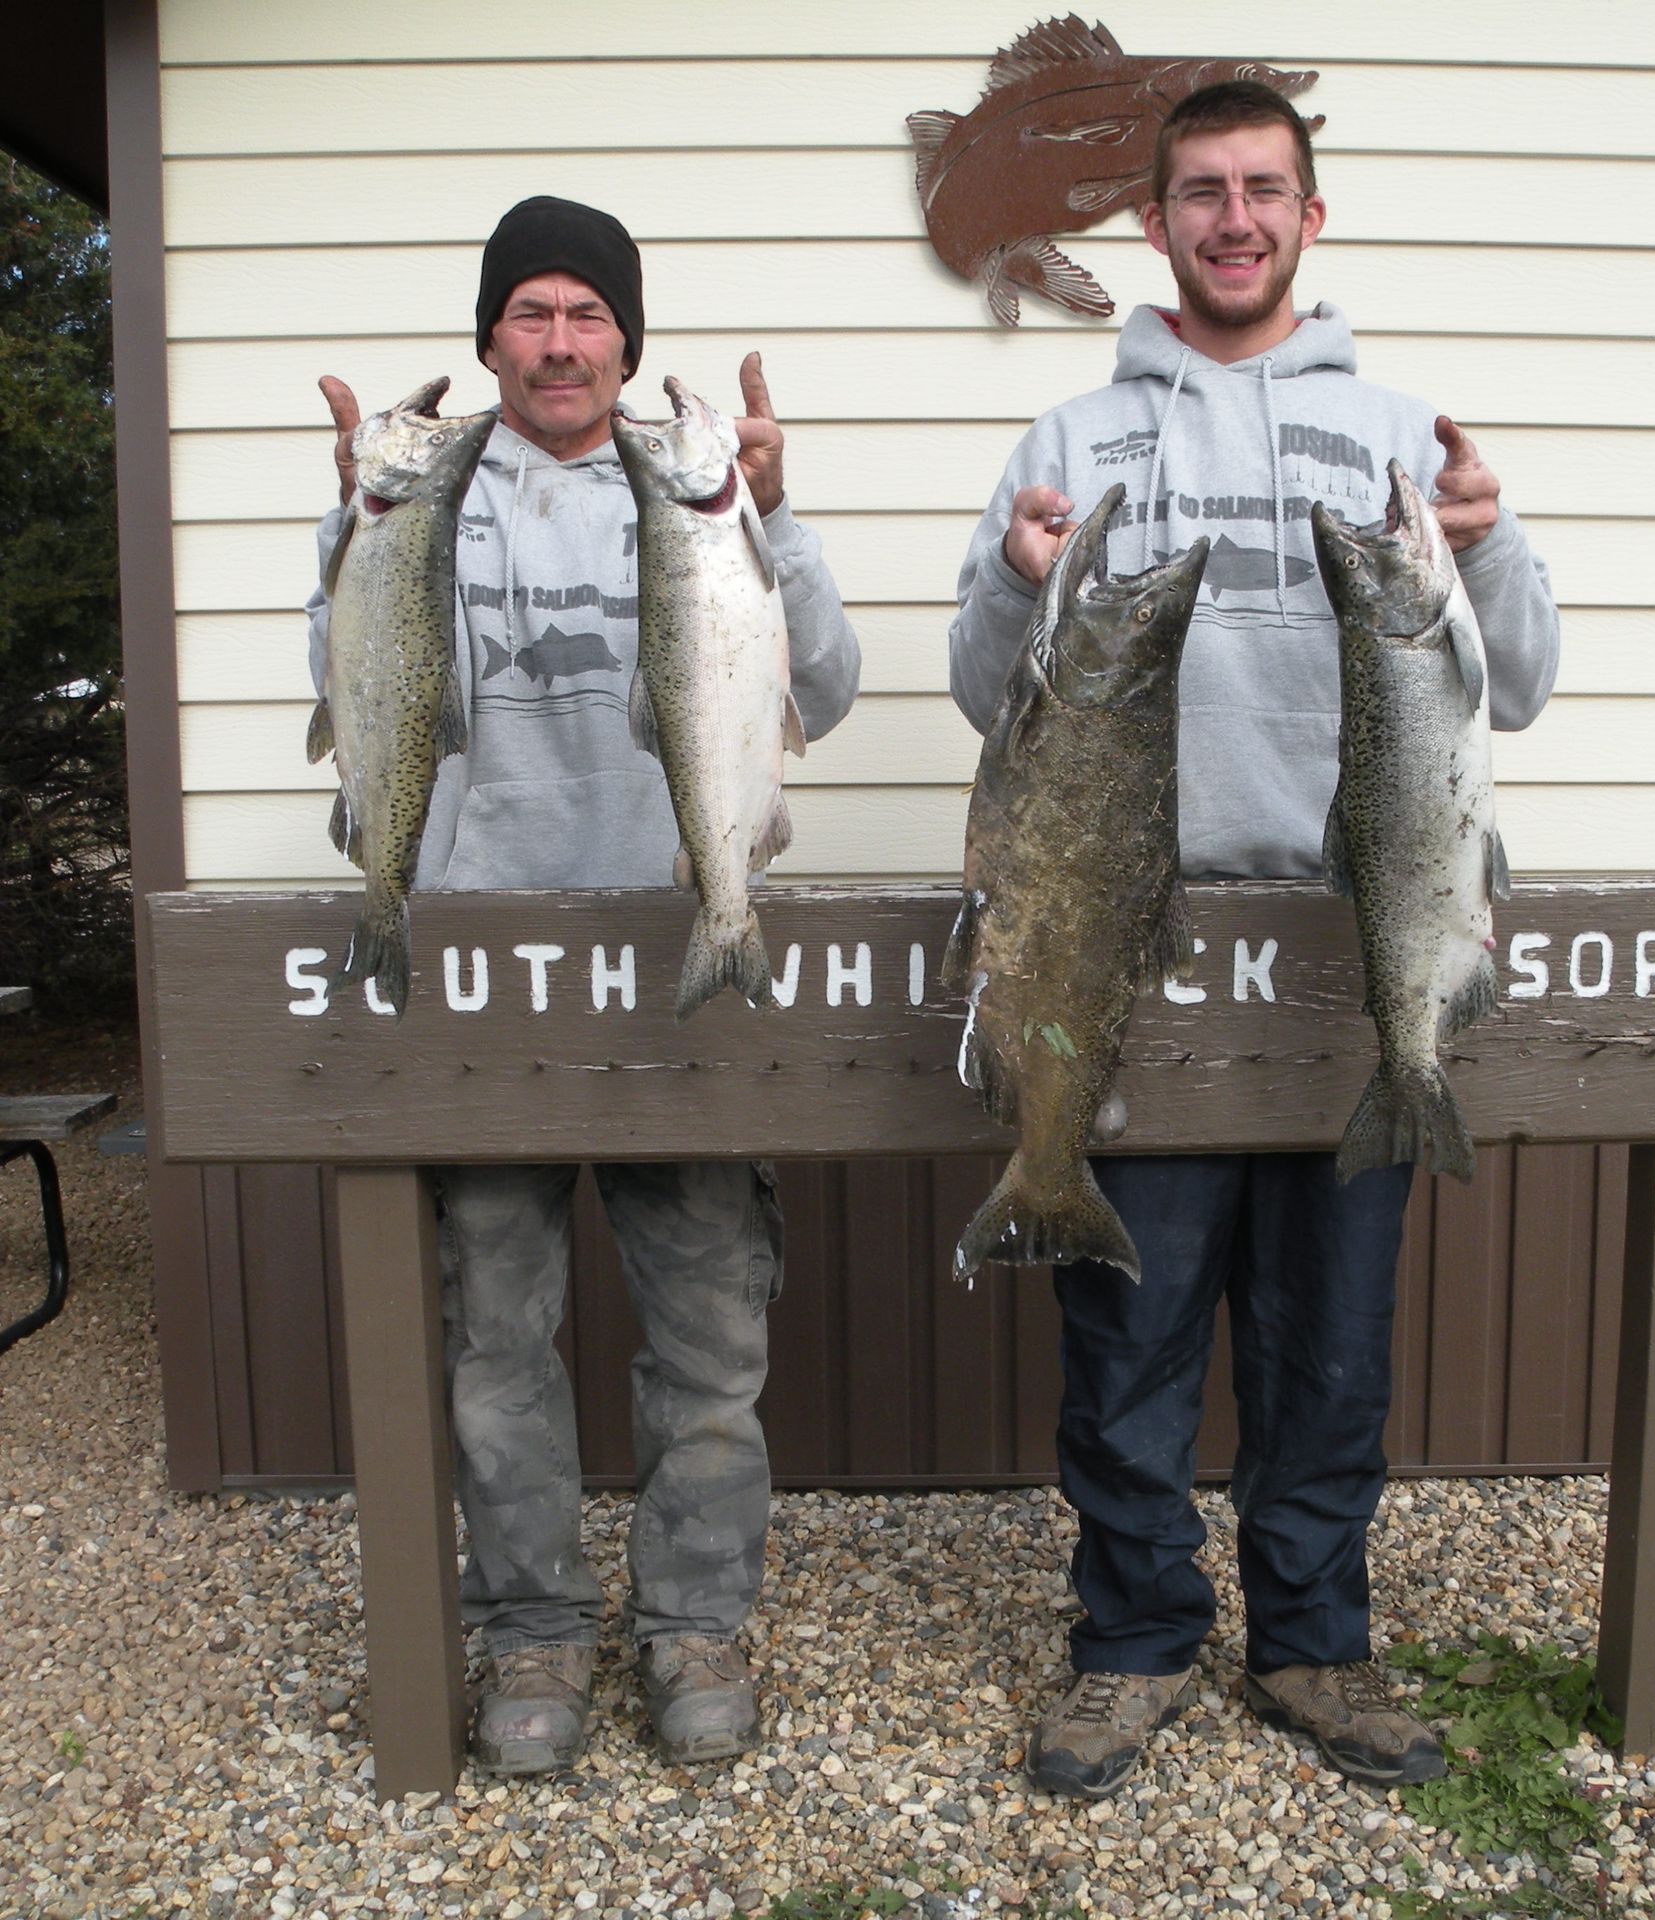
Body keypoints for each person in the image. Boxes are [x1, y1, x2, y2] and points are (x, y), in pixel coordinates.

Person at [948, 83, 1559, 1801]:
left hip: (1349, 939)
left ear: (1311, 214)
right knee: (1125, 1341)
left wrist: (1490, 545)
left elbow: (1512, 681)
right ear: (1154, 222)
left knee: (1331, 1338)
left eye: (1264, 190)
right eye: (1202, 192)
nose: (1234, 218)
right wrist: (1011, 575)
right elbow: (987, 693)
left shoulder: (1406, 429)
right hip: (1134, 948)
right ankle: (1132, 1644)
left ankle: (1313, 1642)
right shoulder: (1070, 439)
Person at [306, 196, 860, 1775]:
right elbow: (343, 703)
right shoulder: (417, 493)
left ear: (629, 340)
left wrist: (778, 513)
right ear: (491, 335)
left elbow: (819, 685)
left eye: (589, 314)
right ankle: (529, 1629)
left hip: (672, 962)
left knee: (707, 1339)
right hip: (480, 979)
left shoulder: (703, 494)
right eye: (532, 311)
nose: (560, 340)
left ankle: (692, 1622)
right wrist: (357, 526)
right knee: (498, 1346)